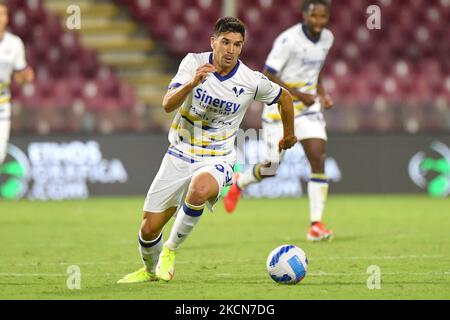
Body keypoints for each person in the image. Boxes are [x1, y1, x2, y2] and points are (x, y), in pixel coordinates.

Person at [118, 17, 297, 283]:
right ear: (213, 41)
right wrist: (192, 83)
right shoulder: (193, 63)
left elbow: (284, 97)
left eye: (237, 44)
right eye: (225, 42)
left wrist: (289, 133)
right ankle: (149, 271)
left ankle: (170, 251)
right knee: (148, 229)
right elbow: (167, 104)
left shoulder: (251, 80)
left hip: (218, 157)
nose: (230, 50)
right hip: (179, 153)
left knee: (199, 190)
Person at [224, 0, 335, 242]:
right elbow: (268, 73)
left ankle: (316, 224)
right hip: (280, 107)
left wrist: (322, 93)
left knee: (318, 157)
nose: (318, 21)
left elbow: (317, 70)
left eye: (323, 17)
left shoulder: (327, 38)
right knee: (271, 168)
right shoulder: (288, 41)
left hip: (308, 110)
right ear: (304, 15)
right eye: (314, 16)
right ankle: (240, 182)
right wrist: (300, 94)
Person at [0, 0, 34, 165]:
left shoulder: (14, 44)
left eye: (2, 14)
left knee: (0, 154)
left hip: (2, 106)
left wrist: (25, 77)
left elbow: (19, 76)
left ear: (7, 18)